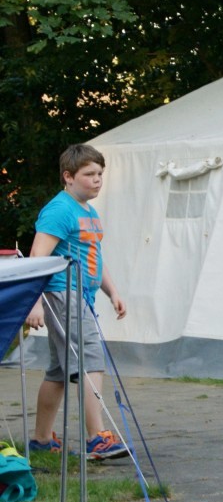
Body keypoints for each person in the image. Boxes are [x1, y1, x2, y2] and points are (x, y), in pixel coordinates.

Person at [24, 144, 130, 460]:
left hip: (82, 295)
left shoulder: (89, 212)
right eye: (89, 174)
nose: (97, 180)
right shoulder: (60, 210)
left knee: (59, 370)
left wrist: (112, 292)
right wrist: (34, 303)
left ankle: (42, 439)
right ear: (68, 177)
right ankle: (97, 438)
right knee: (90, 359)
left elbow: (94, 256)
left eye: (100, 174)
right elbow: (37, 257)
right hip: (63, 294)